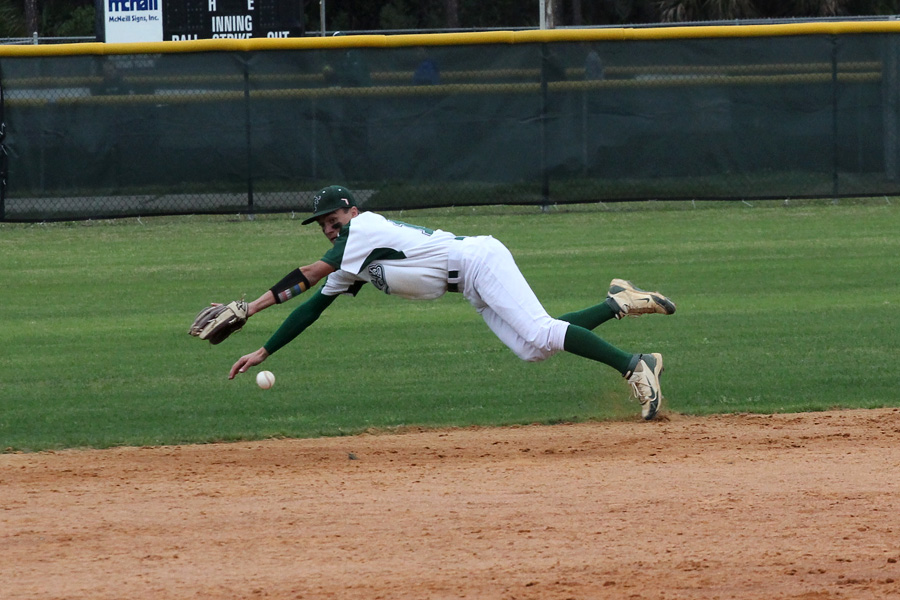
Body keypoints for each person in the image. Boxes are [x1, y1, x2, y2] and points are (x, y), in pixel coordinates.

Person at [226, 185, 676, 420]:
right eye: (322, 224)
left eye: (334, 218)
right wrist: (264, 350)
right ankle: (619, 303)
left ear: (353, 214)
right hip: (470, 283)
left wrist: (249, 309)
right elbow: (311, 307)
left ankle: (634, 366)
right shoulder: (350, 259)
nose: (328, 227)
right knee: (533, 347)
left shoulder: (362, 232)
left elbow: (306, 277)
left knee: (540, 330)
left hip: (479, 260)